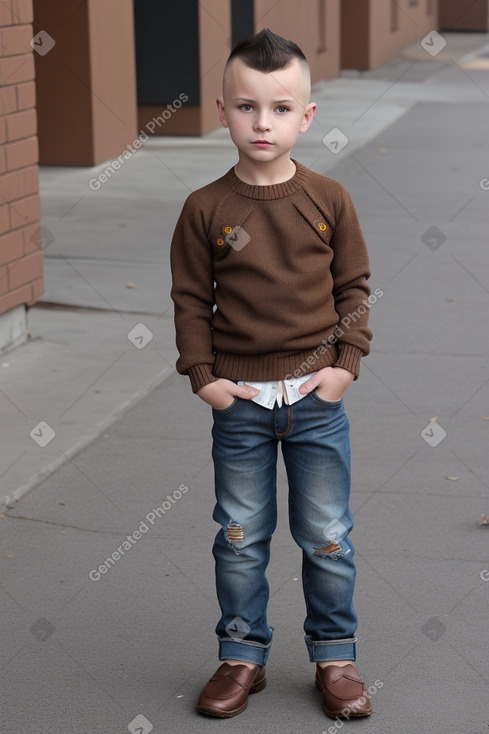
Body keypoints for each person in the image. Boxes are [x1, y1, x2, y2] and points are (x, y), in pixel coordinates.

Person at [170, 28, 373, 720]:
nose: (263, 123)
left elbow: (354, 292)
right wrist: (203, 377)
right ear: (222, 109)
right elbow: (192, 300)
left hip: (317, 398)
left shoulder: (329, 199)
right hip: (241, 403)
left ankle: (336, 657)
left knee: (326, 534)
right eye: (247, 107)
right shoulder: (205, 208)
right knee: (238, 535)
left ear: (306, 116)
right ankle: (241, 657)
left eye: (281, 108)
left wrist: (344, 366)